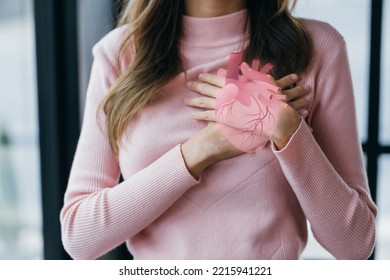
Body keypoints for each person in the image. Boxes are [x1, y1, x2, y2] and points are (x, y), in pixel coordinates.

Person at [60, 0, 377, 260]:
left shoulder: (318, 49)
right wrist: (207, 146)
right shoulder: (120, 54)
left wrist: (285, 126)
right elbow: (79, 234)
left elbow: (354, 244)